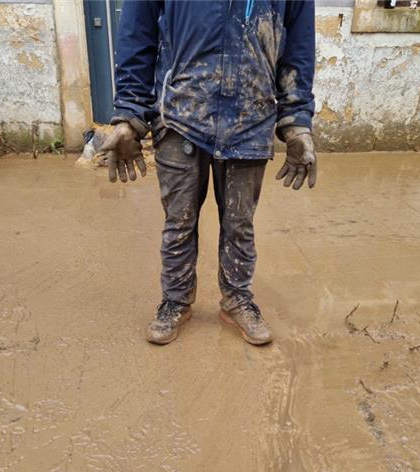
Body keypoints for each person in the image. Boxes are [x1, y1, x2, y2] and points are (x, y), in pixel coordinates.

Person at [101, 0, 317, 346]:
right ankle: (175, 300)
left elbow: (299, 51)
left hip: (251, 115)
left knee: (240, 223)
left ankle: (237, 299)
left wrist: (297, 124)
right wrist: (129, 114)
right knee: (179, 220)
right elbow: (137, 36)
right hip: (179, 114)